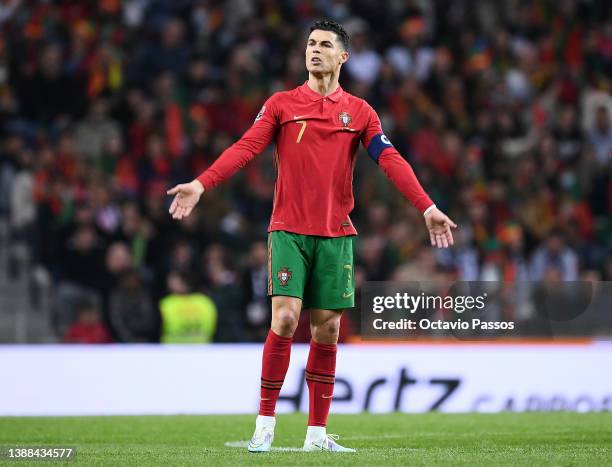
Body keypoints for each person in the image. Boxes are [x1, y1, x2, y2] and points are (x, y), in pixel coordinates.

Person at [166, 19, 456, 453]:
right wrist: (202, 183)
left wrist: (427, 207)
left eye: (324, 45)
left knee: (328, 330)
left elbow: (390, 160)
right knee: (284, 318)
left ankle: (317, 435)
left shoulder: (360, 113)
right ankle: (264, 424)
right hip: (288, 230)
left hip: (336, 234)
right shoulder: (282, 104)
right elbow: (246, 147)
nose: (314, 50)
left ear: (344, 56)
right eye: (310, 44)